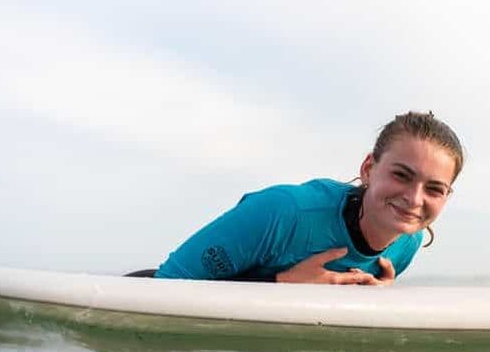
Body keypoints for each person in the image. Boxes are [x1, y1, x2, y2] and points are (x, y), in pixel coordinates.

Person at [142, 111, 464, 285]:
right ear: (369, 168)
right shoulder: (283, 212)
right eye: (401, 175)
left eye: (434, 189)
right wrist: (280, 281)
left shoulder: (406, 244)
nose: (414, 198)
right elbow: (169, 284)